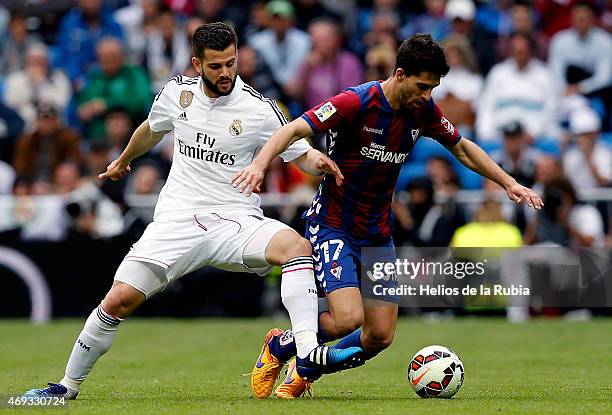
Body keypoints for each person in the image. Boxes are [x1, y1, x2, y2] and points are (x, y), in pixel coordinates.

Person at [22, 22, 361, 401]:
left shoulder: (259, 109)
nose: (226, 73)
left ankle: (305, 353)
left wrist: (321, 161)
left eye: (231, 63)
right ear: (196, 64)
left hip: (235, 219)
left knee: (296, 248)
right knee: (116, 301)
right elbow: (152, 129)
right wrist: (123, 160)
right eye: (216, 66)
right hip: (177, 221)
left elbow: (301, 155)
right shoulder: (175, 94)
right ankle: (66, 387)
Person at [233, 34, 543, 399]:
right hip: (334, 223)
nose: (428, 96)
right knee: (348, 319)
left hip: (377, 233)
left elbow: (461, 148)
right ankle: (292, 354)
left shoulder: (422, 110)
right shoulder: (356, 102)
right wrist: (258, 164)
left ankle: (295, 355)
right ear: (400, 74)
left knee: (380, 335)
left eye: (433, 88)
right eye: (423, 86)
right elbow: (293, 128)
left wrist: (509, 183)